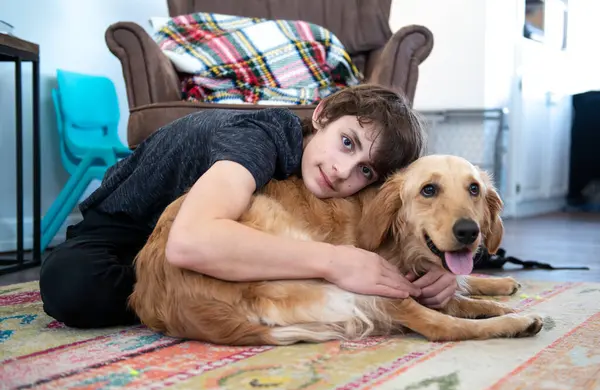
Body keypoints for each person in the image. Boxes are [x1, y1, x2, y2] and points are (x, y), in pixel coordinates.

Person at [39, 84, 458, 329]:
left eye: (365, 171)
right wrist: (333, 262)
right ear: (323, 115)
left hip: (198, 240)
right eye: (346, 142)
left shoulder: (322, 174)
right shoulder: (257, 139)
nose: (342, 169)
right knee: (72, 286)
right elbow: (190, 242)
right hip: (126, 231)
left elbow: (394, 219)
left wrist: (433, 271)